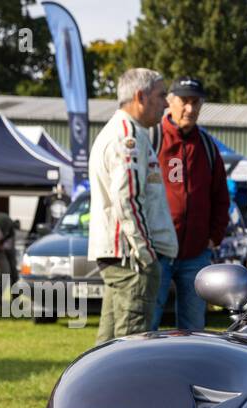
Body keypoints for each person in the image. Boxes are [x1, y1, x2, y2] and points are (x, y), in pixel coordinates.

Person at [88, 68, 177, 343]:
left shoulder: (125, 132)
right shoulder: (127, 136)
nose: (166, 104)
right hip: (131, 258)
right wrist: (146, 253)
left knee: (109, 344)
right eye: (162, 95)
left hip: (124, 255)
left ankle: (93, 387)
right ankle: (115, 389)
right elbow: (127, 198)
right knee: (130, 348)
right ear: (140, 96)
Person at [150, 76, 230, 332]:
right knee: (146, 324)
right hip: (158, 251)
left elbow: (220, 196)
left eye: (196, 103)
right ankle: (142, 372)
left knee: (193, 328)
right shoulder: (152, 138)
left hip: (196, 254)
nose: (190, 109)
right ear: (169, 102)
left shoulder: (207, 146)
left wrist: (213, 237)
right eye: (184, 102)